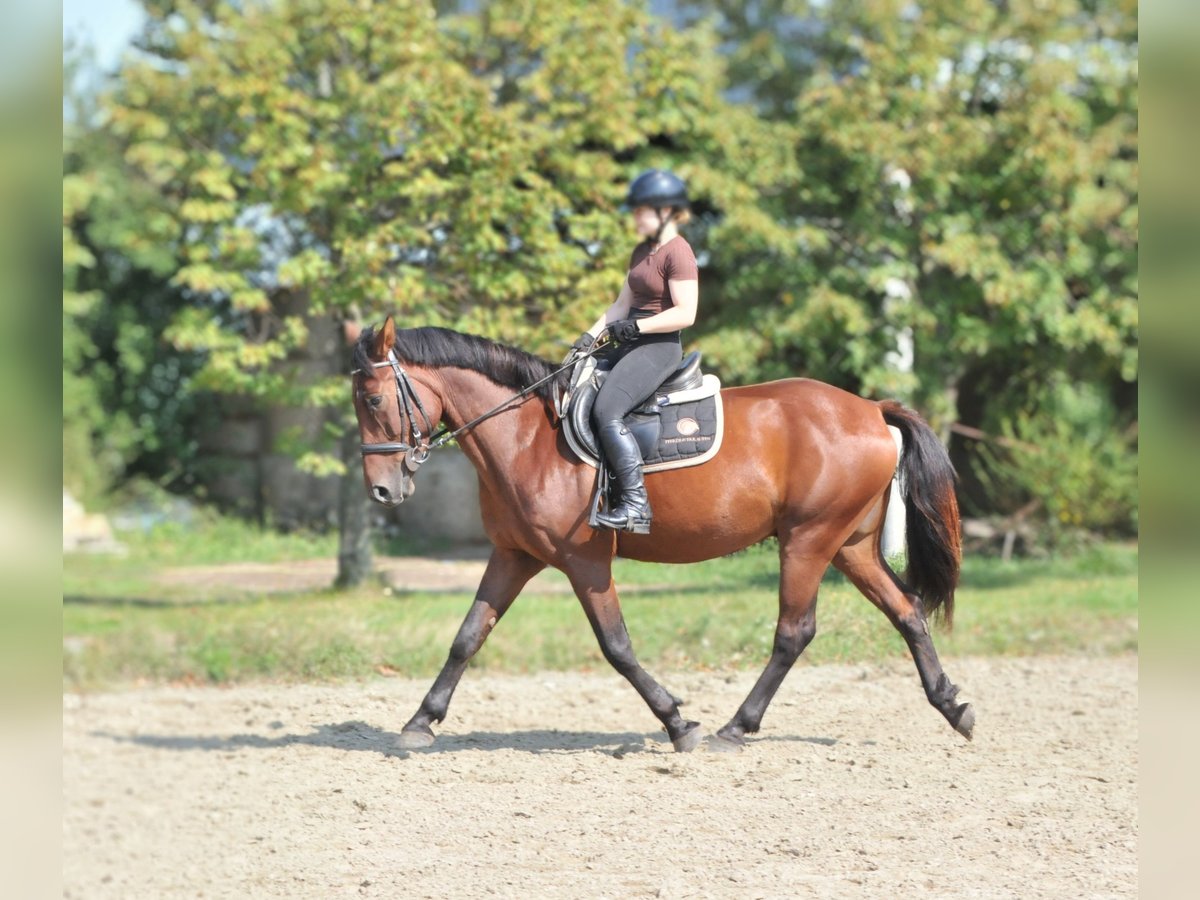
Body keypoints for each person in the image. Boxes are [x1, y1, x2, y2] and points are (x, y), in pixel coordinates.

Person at [569, 169, 699, 534]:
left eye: (642, 211)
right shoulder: (642, 251)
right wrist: (587, 337)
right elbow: (620, 304)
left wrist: (639, 327)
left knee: (607, 409)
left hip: (658, 346)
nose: (635, 218)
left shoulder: (679, 252)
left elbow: (686, 313)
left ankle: (635, 507)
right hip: (629, 340)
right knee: (571, 388)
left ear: (667, 212)